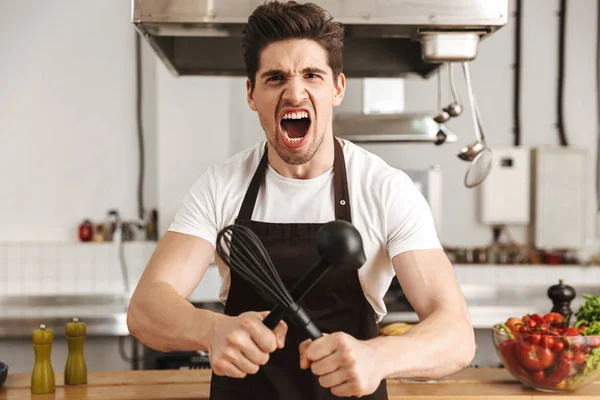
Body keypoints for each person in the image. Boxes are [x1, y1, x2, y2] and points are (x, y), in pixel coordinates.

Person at [127, 1, 475, 399]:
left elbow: (457, 334)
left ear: (337, 88)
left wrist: (379, 357)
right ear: (251, 93)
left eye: (312, 75)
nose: (295, 92)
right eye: (275, 78)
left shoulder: (385, 188)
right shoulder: (219, 186)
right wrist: (210, 330)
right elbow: (145, 308)